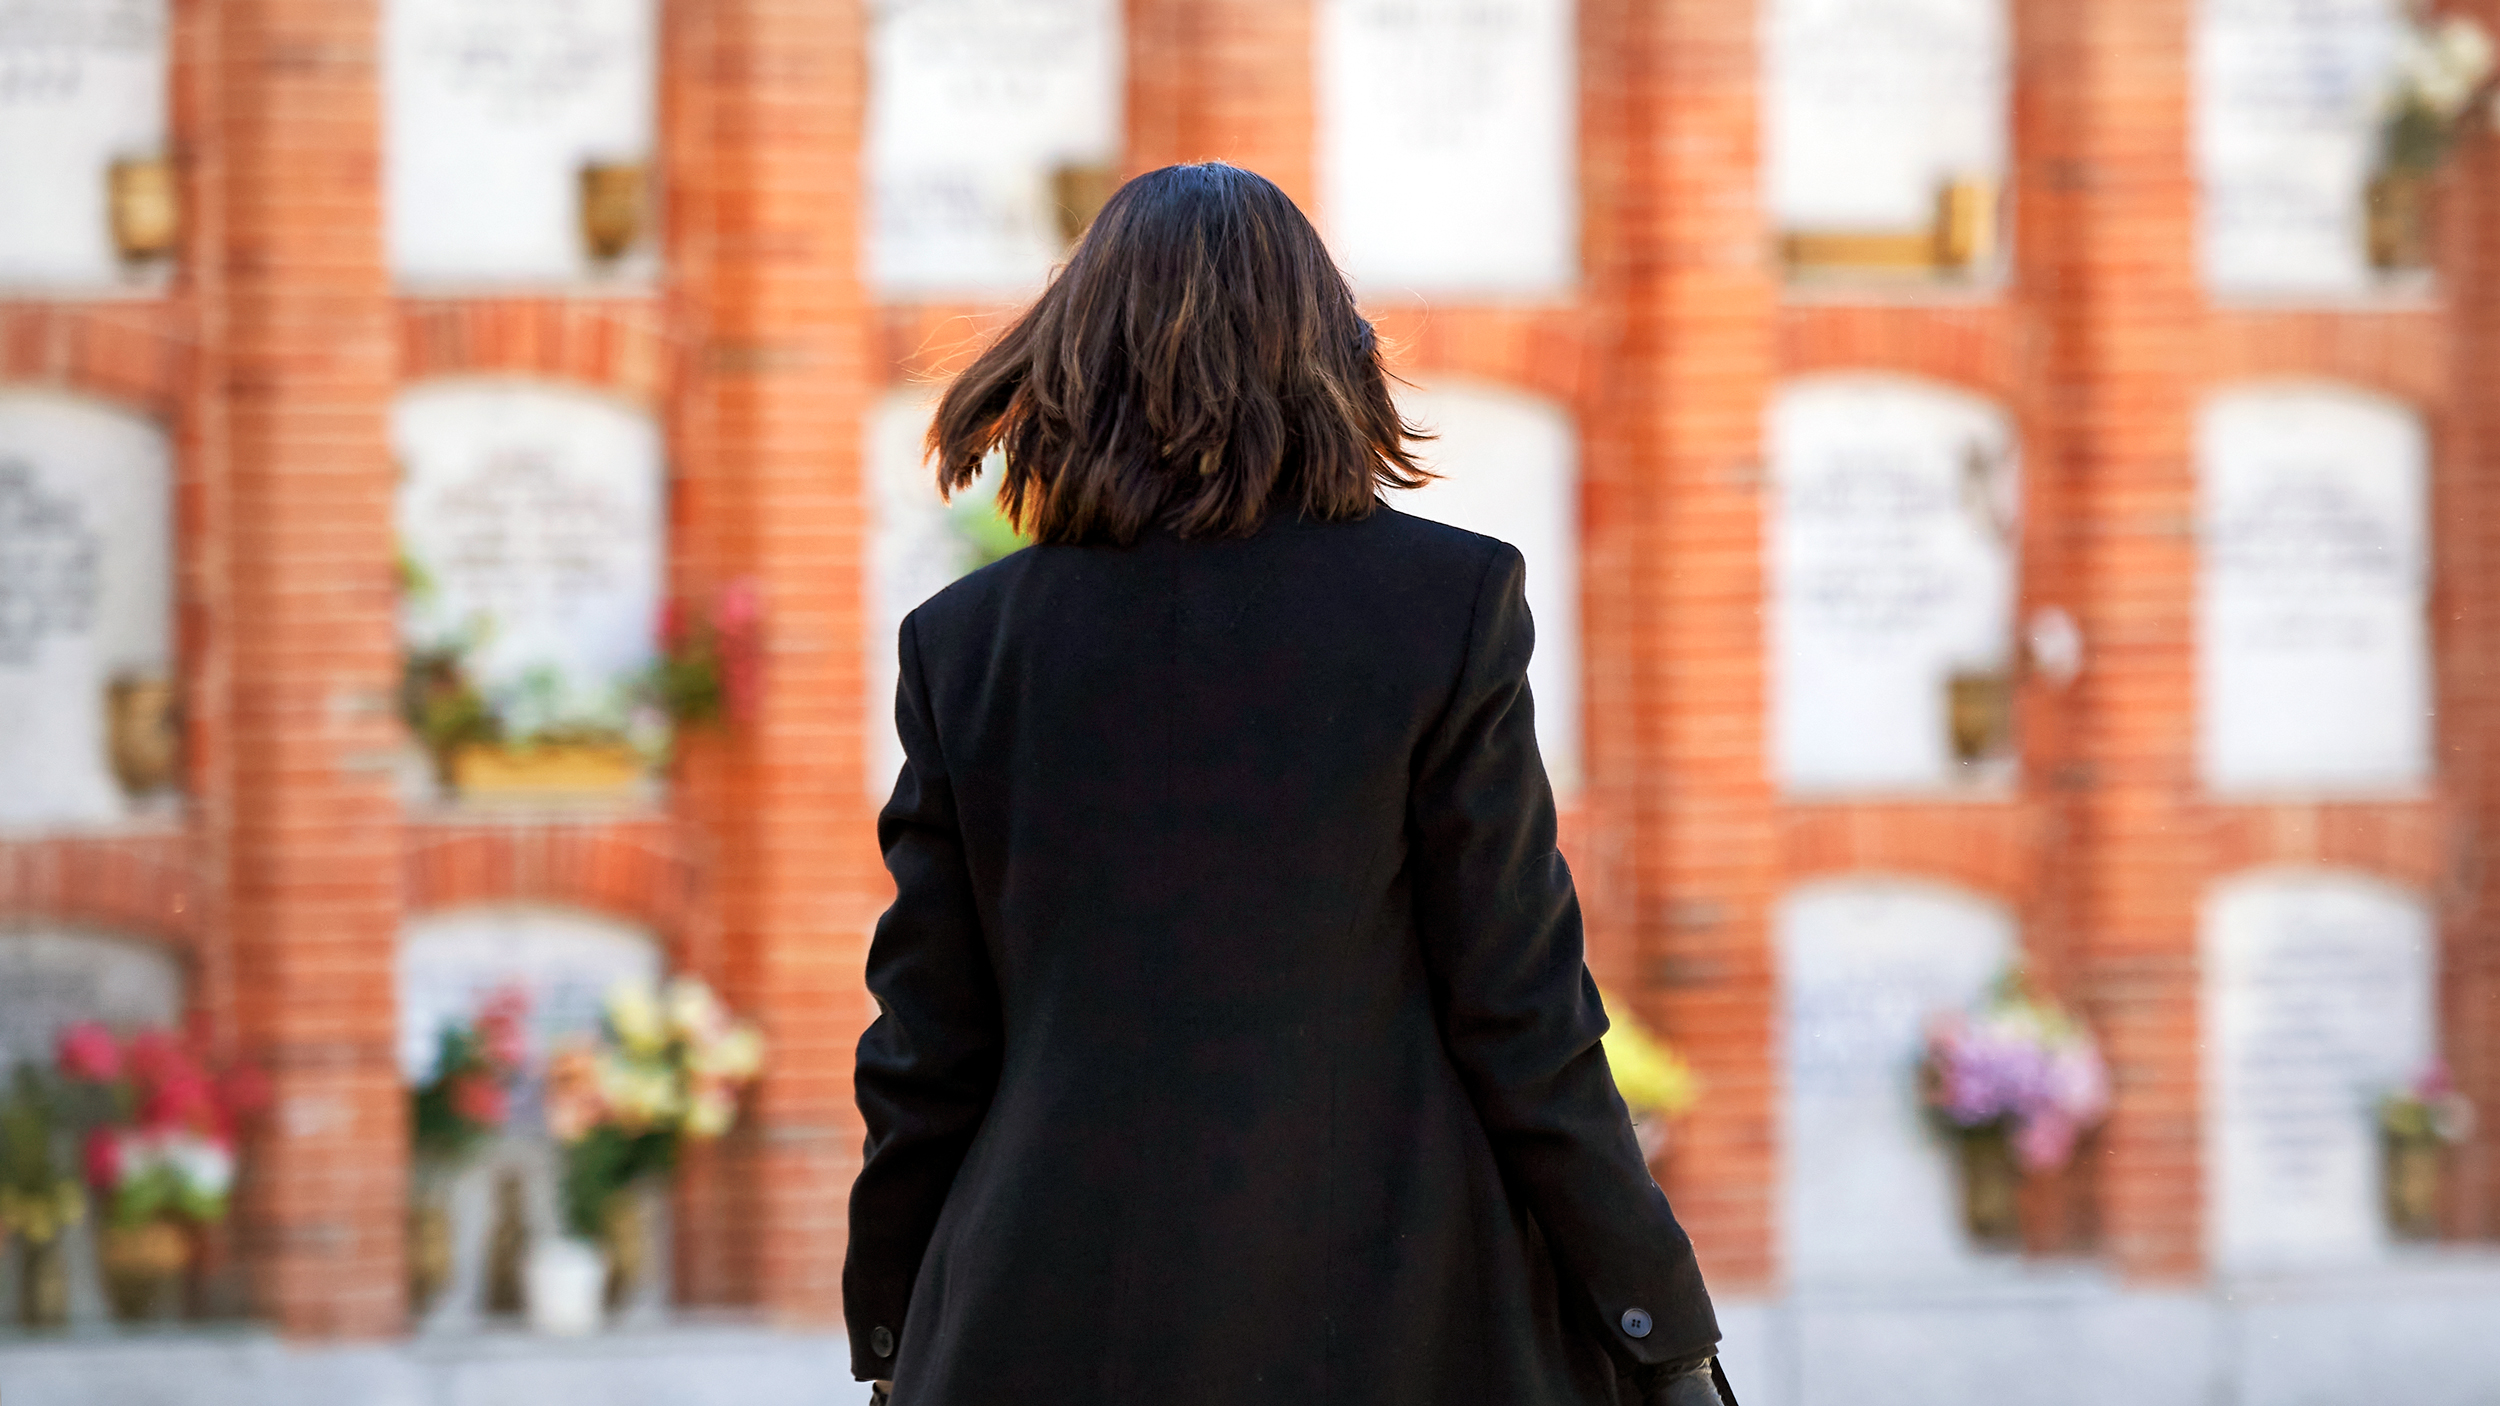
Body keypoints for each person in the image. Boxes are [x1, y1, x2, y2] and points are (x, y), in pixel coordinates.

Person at [845, 162, 1732, 1406]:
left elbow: (924, 1046)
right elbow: (1520, 1006)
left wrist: (891, 1333)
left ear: (1073, 355)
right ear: (1324, 349)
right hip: (1398, 1311)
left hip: (1044, 1313)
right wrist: (1662, 1331)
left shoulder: (970, 642)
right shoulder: (1444, 608)